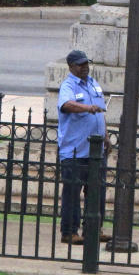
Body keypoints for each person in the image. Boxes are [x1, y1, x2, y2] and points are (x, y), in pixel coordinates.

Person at [57, 49, 110, 245]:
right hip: (75, 151)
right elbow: (66, 105)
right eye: (80, 64)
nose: (85, 67)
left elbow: (100, 112)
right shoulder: (68, 86)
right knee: (72, 192)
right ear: (71, 67)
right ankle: (69, 232)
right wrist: (87, 108)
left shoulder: (93, 84)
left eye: (86, 63)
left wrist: (106, 136)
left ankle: (93, 230)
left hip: (96, 151)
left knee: (97, 191)